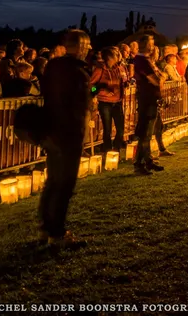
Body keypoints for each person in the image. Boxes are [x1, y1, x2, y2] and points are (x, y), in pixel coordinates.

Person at [39, 29, 92, 249]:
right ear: (80, 46)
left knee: (52, 180)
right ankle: (57, 233)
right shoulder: (79, 72)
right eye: (87, 46)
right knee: (65, 183)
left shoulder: (53, 66)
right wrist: (97, 87)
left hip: (51, 129)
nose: (89, 50)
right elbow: (83, 99)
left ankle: (45, 227)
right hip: (70, 132)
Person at [132, 35, 170, 175]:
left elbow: (161, 77)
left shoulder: (148, 60)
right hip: (146, 100)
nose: (153, 45)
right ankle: (139, 164)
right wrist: (160, 78)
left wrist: (161, 78)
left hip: (152, 99)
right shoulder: (141, 60)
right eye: (151, 42)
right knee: (145, 134)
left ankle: (147, 161)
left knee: (148, 133)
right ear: (144, 44)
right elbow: (155, 79)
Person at [90, 47, 126, 154]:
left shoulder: (118, 68)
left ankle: (117, 147)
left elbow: (122, 80)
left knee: (120, 128)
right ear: (110, 57)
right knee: (107, 129)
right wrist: (100, 88)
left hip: (117, 102)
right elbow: (91, 86)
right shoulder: (100, 70)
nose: (117, 56)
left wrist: (124, 84)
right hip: (105, 103)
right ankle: (107, 149)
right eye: (115, 55)